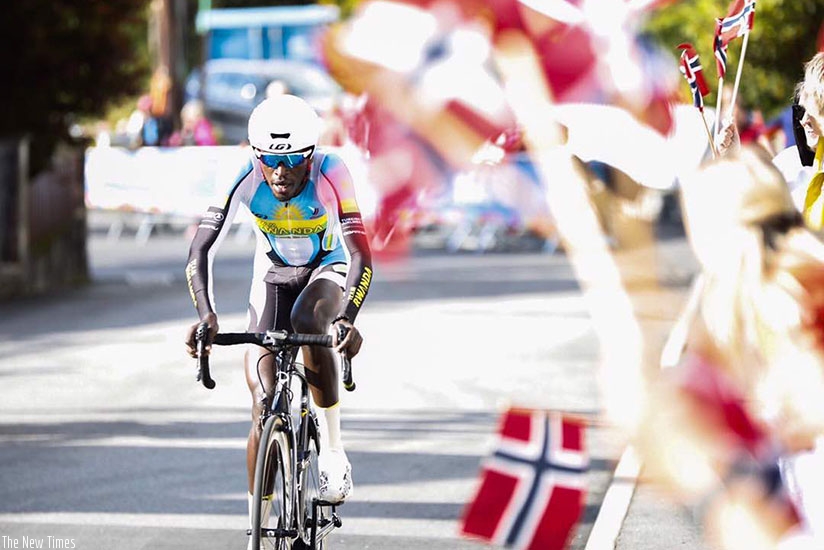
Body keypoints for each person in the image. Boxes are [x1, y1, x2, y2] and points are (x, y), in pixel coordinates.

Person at [183, 95, 372, 525]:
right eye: (270, 159)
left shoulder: (332, 171)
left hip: (327, 266)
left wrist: (348, 318)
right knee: (263, 400)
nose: (281, 172)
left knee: (309, 320)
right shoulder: (242, 173)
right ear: (256, 154)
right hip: (272, 272)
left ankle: (333, 451)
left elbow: (361, 254)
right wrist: (206, 316)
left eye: (292, 160)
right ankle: (258, 522)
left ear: (311, 156)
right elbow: (200, 250)